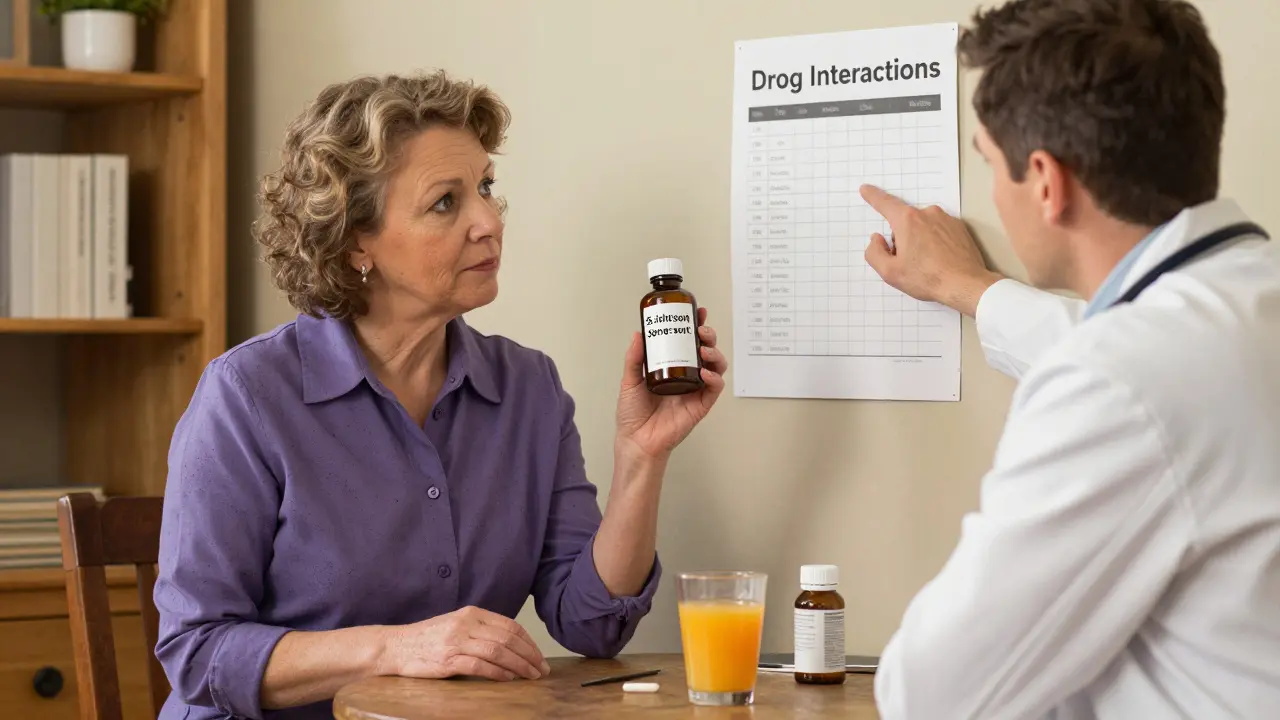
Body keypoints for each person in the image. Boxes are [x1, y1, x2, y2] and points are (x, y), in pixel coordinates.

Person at [152, 71, 728, 720]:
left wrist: (641, 456)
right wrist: (396, 648)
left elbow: (591, 624)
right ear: (355, 242)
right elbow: (197, 652)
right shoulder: (247, 396)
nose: (489, 221)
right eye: (446, 203)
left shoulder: (528, 388)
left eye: (486, 188)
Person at [863, 1, 1280, 718]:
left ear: (1046, 182)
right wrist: (971, 288)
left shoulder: (1122, 378)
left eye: (989, 162)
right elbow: (1157, 375)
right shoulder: (1240, 308)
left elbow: (932, 696)